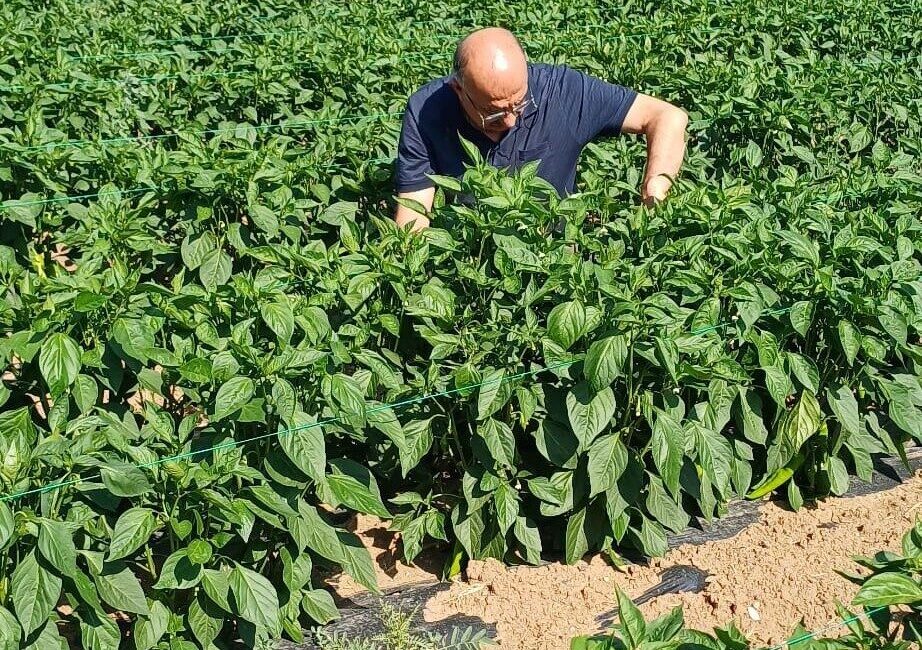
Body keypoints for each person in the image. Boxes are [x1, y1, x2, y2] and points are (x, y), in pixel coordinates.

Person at [393, 27, 689, 231]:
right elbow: (414, 213)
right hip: (473, 262)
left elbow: (667, 117)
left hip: (555, 259)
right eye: (494, 111)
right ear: (459, 89)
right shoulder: (426, 111)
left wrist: (655, 188)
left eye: (519, 103)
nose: (510, 121)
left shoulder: (562, 91)